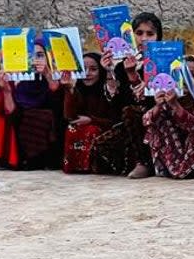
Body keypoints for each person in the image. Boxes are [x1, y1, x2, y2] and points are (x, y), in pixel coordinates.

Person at [89, 10, 163, 178]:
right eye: (139, 33)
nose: (144, 38)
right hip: (131, 125)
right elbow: (115, 105)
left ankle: (144, 163)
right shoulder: (121, 66)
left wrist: (141, 82)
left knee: (132, 112)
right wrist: (109, 72)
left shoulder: (161, 64)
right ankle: (133, 160)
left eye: (150, 34)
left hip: (156, 121)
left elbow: (151, 102)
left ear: (158, 37)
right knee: (100, 147)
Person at [8, 41, 63, 170]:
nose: (36, 60)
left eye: (40, 55)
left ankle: (47, 159)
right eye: (31, 56)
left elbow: (57, 104)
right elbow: (17, 105)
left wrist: (49, 78)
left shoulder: (58, 76)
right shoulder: (19, 78)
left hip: (49, 118)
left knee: (46, 116)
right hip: (26, 117)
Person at [61, 53, 117, 174]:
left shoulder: (107, 90)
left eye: (93, 69)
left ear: (101, 71)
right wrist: (69, 89)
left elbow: (114, 120)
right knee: (72, 128)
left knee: (91, 129)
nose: (87, 73)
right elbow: (69, 116)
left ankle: (92, 166)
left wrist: (91, 120)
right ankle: (74, 166)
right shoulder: (78, 89)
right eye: (83, 69)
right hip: (85, 126)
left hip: (108, 131)